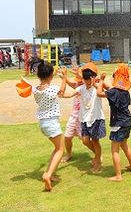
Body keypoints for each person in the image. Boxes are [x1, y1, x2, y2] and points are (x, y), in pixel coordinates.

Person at [60, 62, 106, 173]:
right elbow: (70, 94)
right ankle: (97, 155)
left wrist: (97, 82)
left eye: (88, 80)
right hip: (84, 119)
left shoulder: (97, 88)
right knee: (85, 141)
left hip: (96, 118)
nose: (87, 82)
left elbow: (103, 92)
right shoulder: (81, 88)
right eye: (85, 80)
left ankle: (98, 162)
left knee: (95, 141)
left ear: (93, 78)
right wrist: (61, 94)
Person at [97, 64, 131, 181]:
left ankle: (118, 175)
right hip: (127, 122)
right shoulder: (125, 92)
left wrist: (101, 81)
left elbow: (99, 93)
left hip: (118, 124)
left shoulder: (114, 92)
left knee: (115, 150)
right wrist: (100, 81)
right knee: (124, 145)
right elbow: (109, 89)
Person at [32, 61, 67, 191]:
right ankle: (47, 175)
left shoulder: (35, 89)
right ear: (51, 75)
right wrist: (65, 78)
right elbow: (62, 92)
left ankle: (50, 173)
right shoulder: (52, 89)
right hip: (51, 122)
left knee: (57, 148)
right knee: (60, 150)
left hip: (43, 123)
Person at [60, 67, 94, 162]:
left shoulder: (90, 86)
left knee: (85, 141)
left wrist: (76, 73)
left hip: (83, 118)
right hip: (74, 116)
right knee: (67, 137)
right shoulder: (78, 86)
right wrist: (63, 75)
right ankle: (69, 154)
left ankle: (97, 154)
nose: (78, 81)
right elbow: (69, 86)